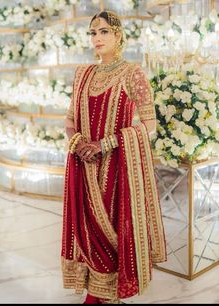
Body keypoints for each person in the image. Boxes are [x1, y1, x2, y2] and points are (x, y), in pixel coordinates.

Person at [61, 10, 167, 304]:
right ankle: (96, 293)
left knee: (111, 231)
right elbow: (69, 119)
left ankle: (105, 296)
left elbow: (149, 125)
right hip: (84, 164)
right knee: (87, 231)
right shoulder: (83, 73)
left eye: (104, 31)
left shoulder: (133, 73)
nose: (97, 38)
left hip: (116, 169)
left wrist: (104, 144)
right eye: (93, 32)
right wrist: (79, 141)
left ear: (118, 34)